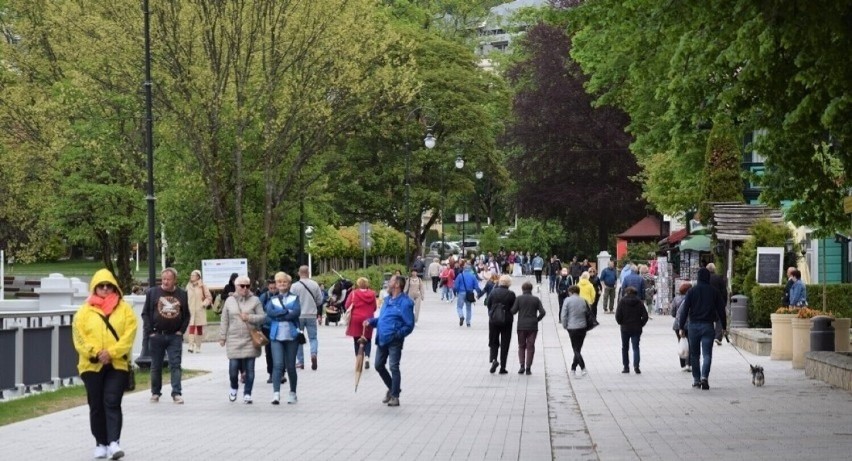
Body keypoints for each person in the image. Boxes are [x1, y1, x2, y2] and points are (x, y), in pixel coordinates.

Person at [72, 269, 137, 460]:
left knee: (112, 401)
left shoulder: (125, 309)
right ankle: (100, 443)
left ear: (115, 287)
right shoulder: (83, 311)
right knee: (96, 405)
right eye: (101, 286)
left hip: (117, 364)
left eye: (109, 285)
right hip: (91, 366)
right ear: (94, 288)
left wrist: (112, 352)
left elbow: (129, 334)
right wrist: (95, 352)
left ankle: (114, 442)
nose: (105, 289)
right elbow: (78, 337)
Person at [365, 274, 415, 407]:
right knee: (378, 365)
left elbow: (409, 325)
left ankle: (395, 396)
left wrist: (398, 334)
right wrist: (371, 321)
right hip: (382, 338)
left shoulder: (405, 302)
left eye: (391, 281)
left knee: (394, 367)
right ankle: (393, 388)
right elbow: (382, 320)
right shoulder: (387, 300)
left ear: (397, 284)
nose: (388, 283)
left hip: (394, 340)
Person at [142, 267, 190, 404]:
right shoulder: (153, 293)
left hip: (174, 336)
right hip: (157, 335)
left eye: (169, 279)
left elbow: (186, 315)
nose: (165, 282)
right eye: (163, 279)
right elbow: (145, 313)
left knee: (175, 364)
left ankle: (176, 393)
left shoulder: (182, 294)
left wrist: (181, 331)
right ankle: (155, 392)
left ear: (175, 280)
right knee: (156, 366)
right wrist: (150, 332)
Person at [677, 268, 727, 390]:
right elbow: (721, 310)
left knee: (694, 355)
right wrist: (724, 327)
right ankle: (704, 377)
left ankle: (696, 380)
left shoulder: (691, 291)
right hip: (708, 326)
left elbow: (684, 310)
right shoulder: (714, 292)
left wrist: (681, 327)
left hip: (693, 326)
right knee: (707, 354)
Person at [218, 276, 265, 404]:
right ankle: (234, 387)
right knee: (233, 369)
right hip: (233, 338)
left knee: (250, 369)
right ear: (236, 286)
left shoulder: (255, 300)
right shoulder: (229, 300)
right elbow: (224, 320)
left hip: (250, 338)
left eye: (247, 286)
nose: (245, 288)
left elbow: (262, 317)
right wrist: (222, 337)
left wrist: (249, 317)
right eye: (242, 286)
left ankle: (247, 393)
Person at [265, 272, 301, 404]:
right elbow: (269, 313)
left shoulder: (295, 298)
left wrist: (279, 315)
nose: (282, 284)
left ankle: (292, 392)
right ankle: (276, 393)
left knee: (291, 366)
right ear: (276, 284)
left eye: (284, 282)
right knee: (278, 365)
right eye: (279, 282)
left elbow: (296, 313)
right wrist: (285, 312)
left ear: (289, 284)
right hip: (276, 336)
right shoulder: (272, 299)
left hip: (292, 335)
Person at [291, 265, 324, 370]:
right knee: (313, 338)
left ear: (298, 273)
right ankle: (313, 354)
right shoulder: (314, 285)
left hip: (298, 316)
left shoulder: (294, 286)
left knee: (299, 339)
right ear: (308, 273)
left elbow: (291, 301)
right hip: (311, 315)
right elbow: (319, 301)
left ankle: (300, 362)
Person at [511, 281, 546, 375]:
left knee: (521, 346)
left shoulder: (519, 298)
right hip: (533, 326)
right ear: (531, 289)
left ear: (522, 289)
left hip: (521, 326)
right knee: (531, 346)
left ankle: (521, 365)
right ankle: (528, 367)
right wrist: (536, 319)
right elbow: (543, 312)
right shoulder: (536, 299)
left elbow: (513, 311)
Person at [486, 275, 516, 374]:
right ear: (509, 283)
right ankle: (503, 367)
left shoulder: (493, 292)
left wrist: (491, 313)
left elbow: (488, 304)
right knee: (505, 343)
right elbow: (514, 308)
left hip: (494, 320)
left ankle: (494, 360)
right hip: (507, 321)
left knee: (494, 341)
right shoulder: (511, 294)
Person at [345, 277, 377, 369]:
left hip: (356, 318)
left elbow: (347, 305)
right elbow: (374, 307)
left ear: (358, 284)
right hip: (368, 319)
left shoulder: (354, 293)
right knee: (368, 339)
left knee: (356, 340)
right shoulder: (372, 294)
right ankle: (367, 357)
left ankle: (359, 359)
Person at [615, 286, 648, 374]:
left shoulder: (622, 302)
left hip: (625, 327)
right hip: (636, 327)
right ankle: (636, 366)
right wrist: (641, 324)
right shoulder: (639, 302)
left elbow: (618, 315)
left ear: (626, 293)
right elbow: (645, 316)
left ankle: (626, 367)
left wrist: (620, 322)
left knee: (625, 348)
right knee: (636, 347)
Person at [257, 279, 284, 384]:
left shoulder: (282, 296)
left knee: (281, 350)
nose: (273, 290)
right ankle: (271, 373)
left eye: (274, 288)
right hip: (267, 327)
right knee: (269, 352)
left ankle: (281, 373)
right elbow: (259, 311)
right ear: (268, 287)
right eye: (271, 288)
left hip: (280, 327)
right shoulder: (264, 297)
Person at [561, 285, 589, 377]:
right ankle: (573, 368)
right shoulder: (583, 300)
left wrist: (565, 325)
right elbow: (587, 312)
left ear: (571, 292)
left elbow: (564, 315)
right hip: (582, 327)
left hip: (572, 327)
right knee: (578, 348)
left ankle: (583, 367)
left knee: (575, 348)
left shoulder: (567, 300)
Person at [185, 269, 212, 354]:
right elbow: (186, 297)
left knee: (199, 328)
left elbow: (209, 297)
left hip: (199, 310)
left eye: (193, 275)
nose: (191, 277)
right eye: (191, 275)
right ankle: (190, 346)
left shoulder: (203, 286)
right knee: (191, 327)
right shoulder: (188, 286)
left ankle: (198, 346)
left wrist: (204, 304)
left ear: (198, 277)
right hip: (191, 310)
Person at [454, 260, 483, 327]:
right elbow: (476, 286)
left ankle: (461, 316)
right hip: (469, 293)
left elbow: (456, 286)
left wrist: (455, 292)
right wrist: (479, 293)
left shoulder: (460, 275)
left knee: (459, 307)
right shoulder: (473, 276)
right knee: (468, 308)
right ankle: (468, 322)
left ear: (464, 269)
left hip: (461, 293)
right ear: (470, 270)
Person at [671, 281, 692, 371]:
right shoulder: (691, 298)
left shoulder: (676, 299)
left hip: (678, 324)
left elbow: (673, 313)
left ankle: (682, 364)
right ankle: (688, 364)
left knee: (682, 342)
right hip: (689, 324)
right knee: (690, 344)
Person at [706, 263, 729, 345]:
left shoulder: (704, 279)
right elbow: (724, 291)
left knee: (708, 320)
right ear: (714, 269)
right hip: (718, 302)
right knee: (719, 319)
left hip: (707, 303)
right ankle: (718, 337)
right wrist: (724, 302)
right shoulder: (719, 278)